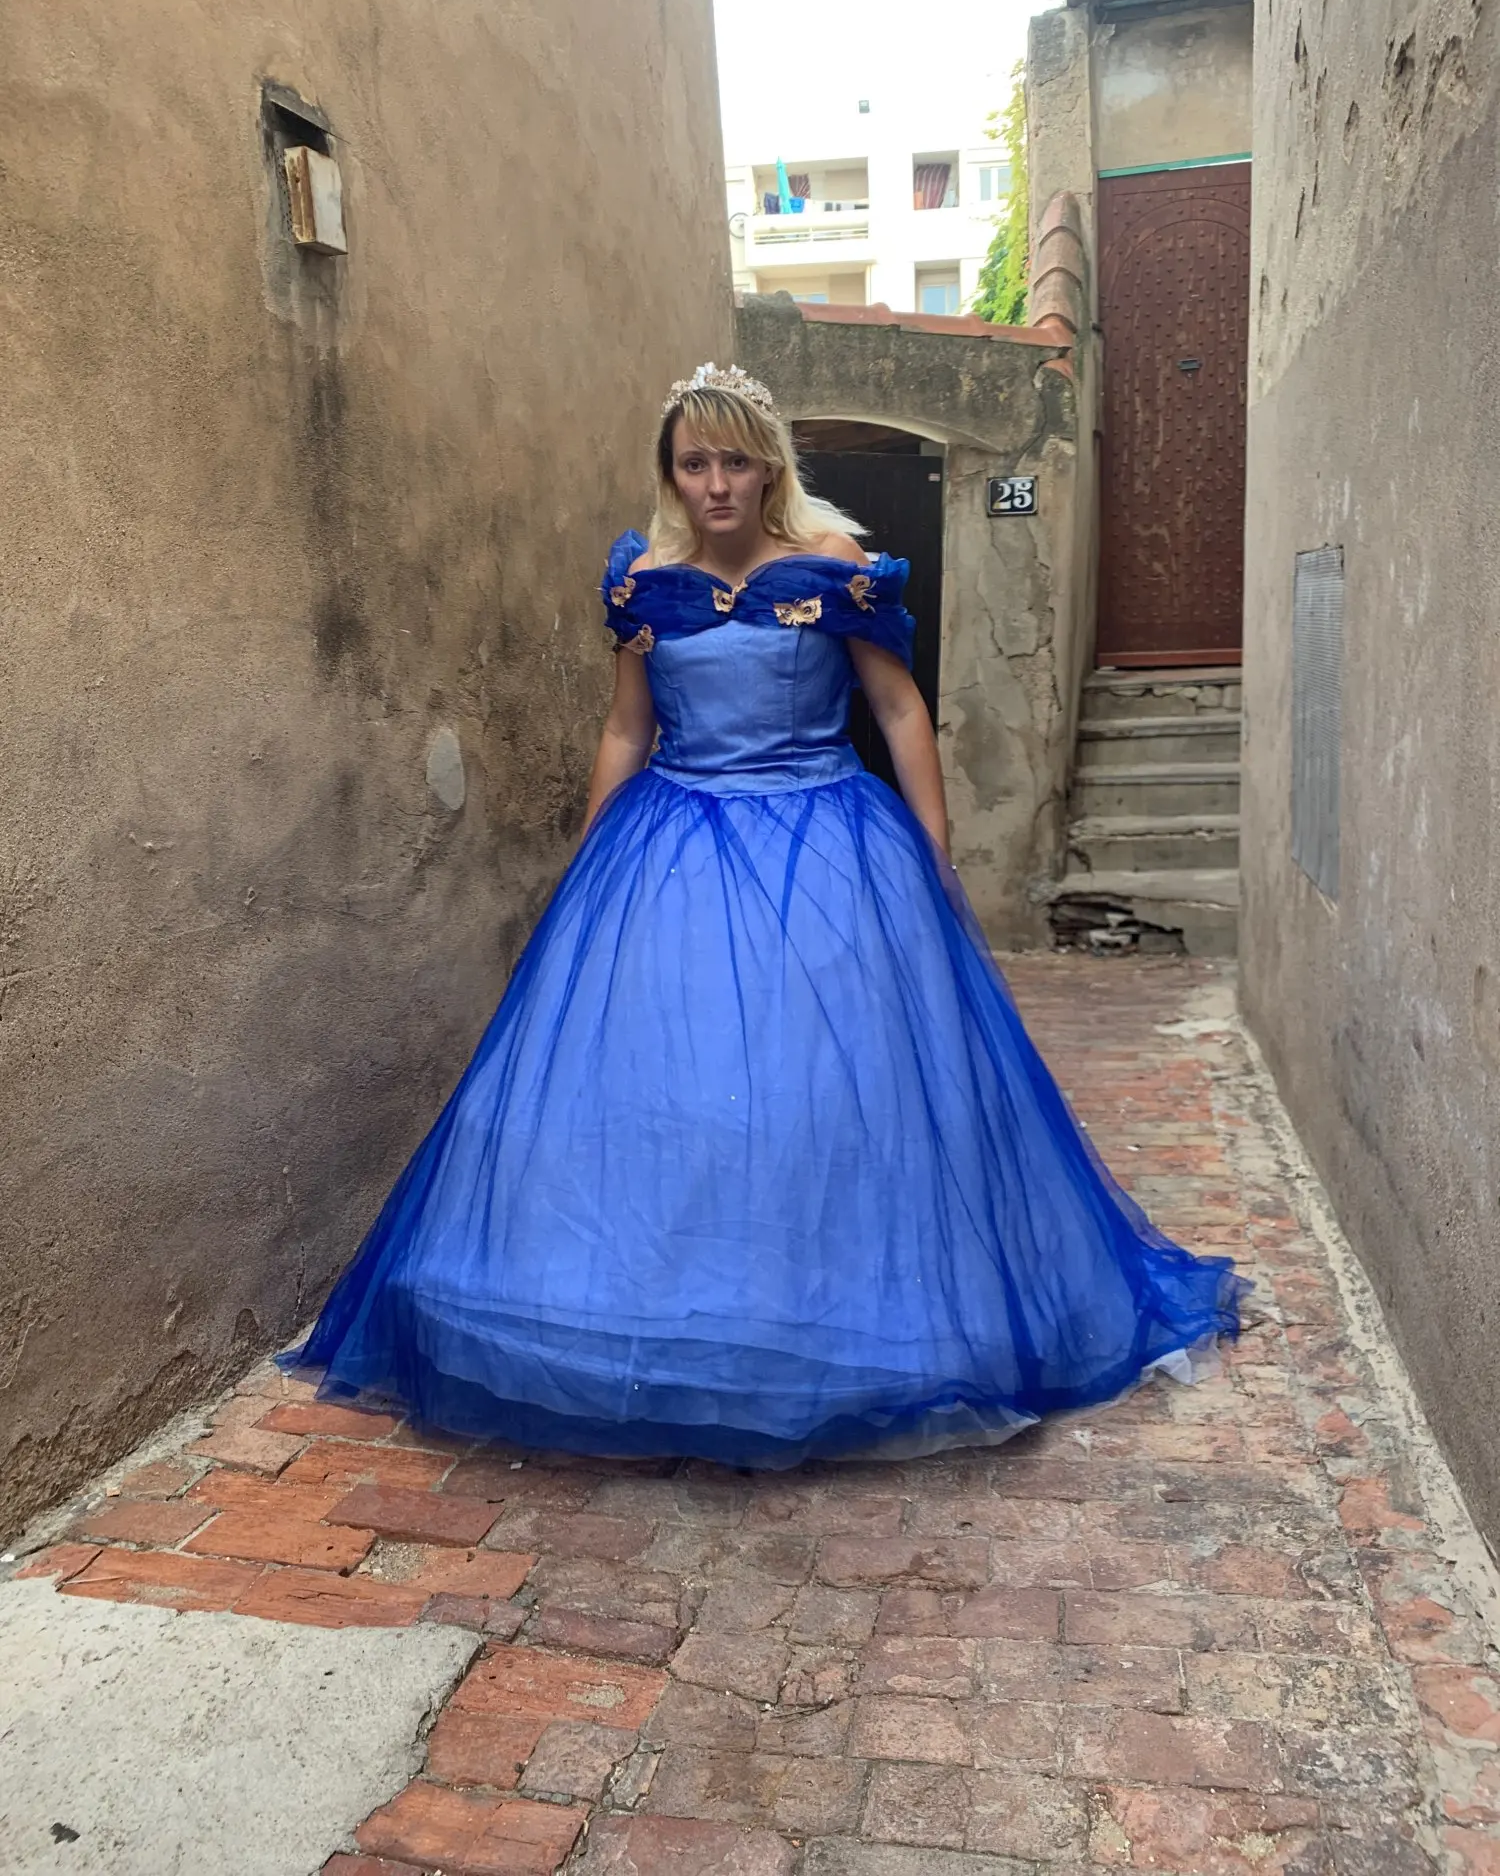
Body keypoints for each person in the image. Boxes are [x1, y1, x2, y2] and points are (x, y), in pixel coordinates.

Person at [284, 364, 1244, 1465]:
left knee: (819, 1086)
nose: (716, 483)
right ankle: (658, 1313)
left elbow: (897, 705)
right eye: (694, 463)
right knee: (673, 1085)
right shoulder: (645, 583)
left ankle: (835, 1315)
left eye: (734, 461)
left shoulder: (834, 565)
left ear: (769, 465)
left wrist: (932, 851)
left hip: (826, 842)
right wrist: (591, 860)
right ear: (671, 474)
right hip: (671, 844)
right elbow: (626, 728)